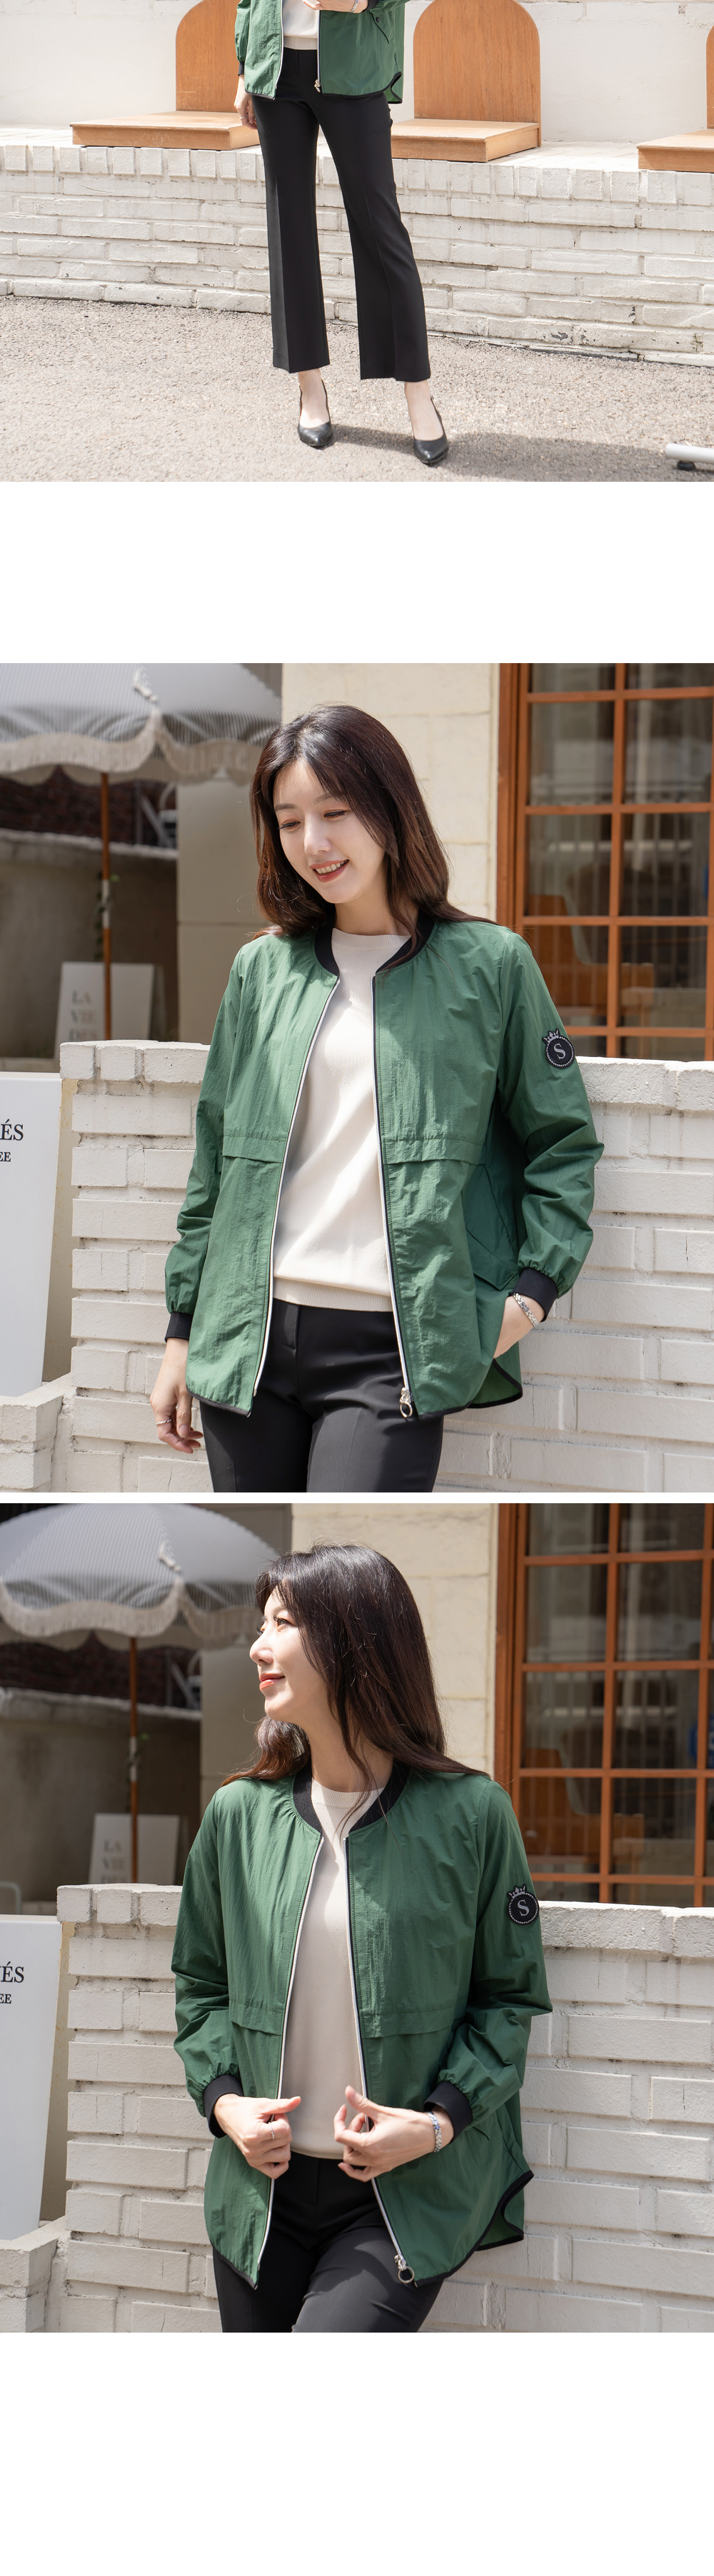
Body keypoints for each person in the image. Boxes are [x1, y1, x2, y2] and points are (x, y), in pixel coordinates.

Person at [150, 703, 603, 1495]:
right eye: (290, 821)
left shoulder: (490, 966)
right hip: (247, 1335)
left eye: (335, 813)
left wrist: (531, 1297)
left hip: (393, 1346)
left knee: (349, 1545)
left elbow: (561, 1140)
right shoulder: (263, 971)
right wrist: (182, 1333)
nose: (314, 844)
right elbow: (215, 1161)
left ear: (389, 809)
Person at [171, 1546, 552, 2334]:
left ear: (353, 1638)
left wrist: (438, 2122)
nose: (257, 1646)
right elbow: (200, 1986)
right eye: (261, 1624)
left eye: (282, 1622)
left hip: (400, 2196)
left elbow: (508, 1998)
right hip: (259, 2192)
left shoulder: (473, 1815)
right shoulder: (237, 1817)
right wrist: (225, 2104)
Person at [233, 0, 448, 466]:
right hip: (279, 76)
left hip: (353, 74)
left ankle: (418, 394)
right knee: (289, 229)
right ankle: (310, 390)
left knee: (380, 230)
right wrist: (246, 66)